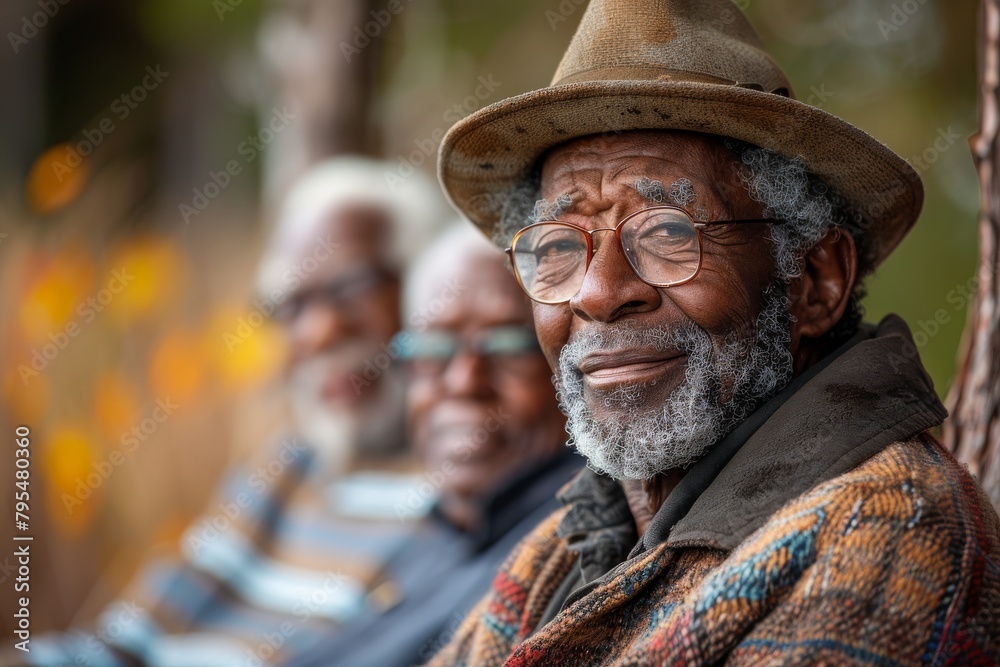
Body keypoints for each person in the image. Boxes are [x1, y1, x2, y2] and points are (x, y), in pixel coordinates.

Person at [425, 1, 1000, 665]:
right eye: (558, 247)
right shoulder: (583, 530)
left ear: (815, 278)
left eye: (669, 232)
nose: (600, 292)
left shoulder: (890, 531)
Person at [13, 157, 450, 666]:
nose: (319, 331)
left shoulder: (460, 494)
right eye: (293, 305)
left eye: (352, 285)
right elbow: (124, 644)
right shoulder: (289, 465)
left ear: (433, 286)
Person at [286, 224, 580, 667]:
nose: (464, 380)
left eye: (506, 343)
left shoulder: (558, 564)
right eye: (433, 346)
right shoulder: (444, 529)